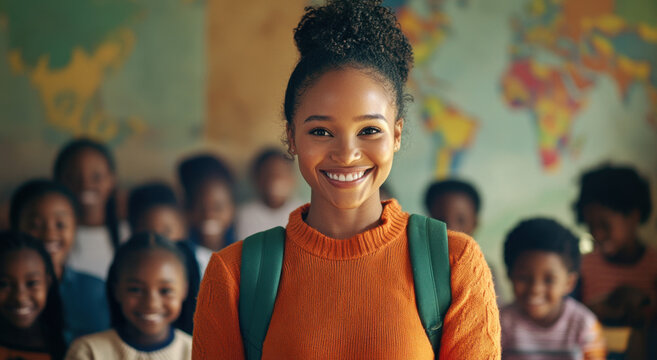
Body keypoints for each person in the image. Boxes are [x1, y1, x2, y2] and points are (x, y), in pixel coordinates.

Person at [192, 1, 500, 358]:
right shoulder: (234, 275)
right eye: (321, 131)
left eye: (369, 129)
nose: (347, 153)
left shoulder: (454, 263)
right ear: (291, 137)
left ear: (397, 135)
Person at [10, 179, 110, 344]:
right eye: (35, 225)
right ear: (15, 226)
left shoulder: (96, 290)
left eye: (60, 224)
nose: (49, 234)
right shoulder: (8, 292)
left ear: (75, 227)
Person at [65, 233, 192, 359]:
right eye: (136, 289)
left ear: (184, 290)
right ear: (117, 290)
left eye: (165, 291)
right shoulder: (89, 352)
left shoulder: (196, 352)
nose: (151, 303)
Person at [501, 218, 606, 359]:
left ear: (569, 283)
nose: (535, 289)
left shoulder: (583, 325)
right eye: (524, 277)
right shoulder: (501, 323)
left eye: (549, 280)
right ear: (510, 275)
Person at [127, 182, 201, 335]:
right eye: (148, 231)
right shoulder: (126, 266)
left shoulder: (203, 265)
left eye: (167, 231)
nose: (158, 241)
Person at [53, 138, 129, 280]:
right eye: (73, 177)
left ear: (112, 180)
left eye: (96, 177)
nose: (85, 184)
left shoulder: (128, 235)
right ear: (58, 181)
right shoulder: (52, 238)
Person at [0, 231, 67, 360]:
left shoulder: (68, 345)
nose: (20, 297)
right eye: (4, 284)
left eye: (32, 283)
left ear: (48, 283)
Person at [177, 153, 237, 275]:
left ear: (232, 209)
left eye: (218, 207)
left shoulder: (244, 248)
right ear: (187, 209)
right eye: (199, 207)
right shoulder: (182, 256)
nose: (209, 215)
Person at [235, 148, 303, 240]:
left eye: (281, 174)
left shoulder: (303, 214)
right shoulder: (244, 215)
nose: (275, 180)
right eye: (268, 174)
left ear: (292, 180)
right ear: (256, 178)